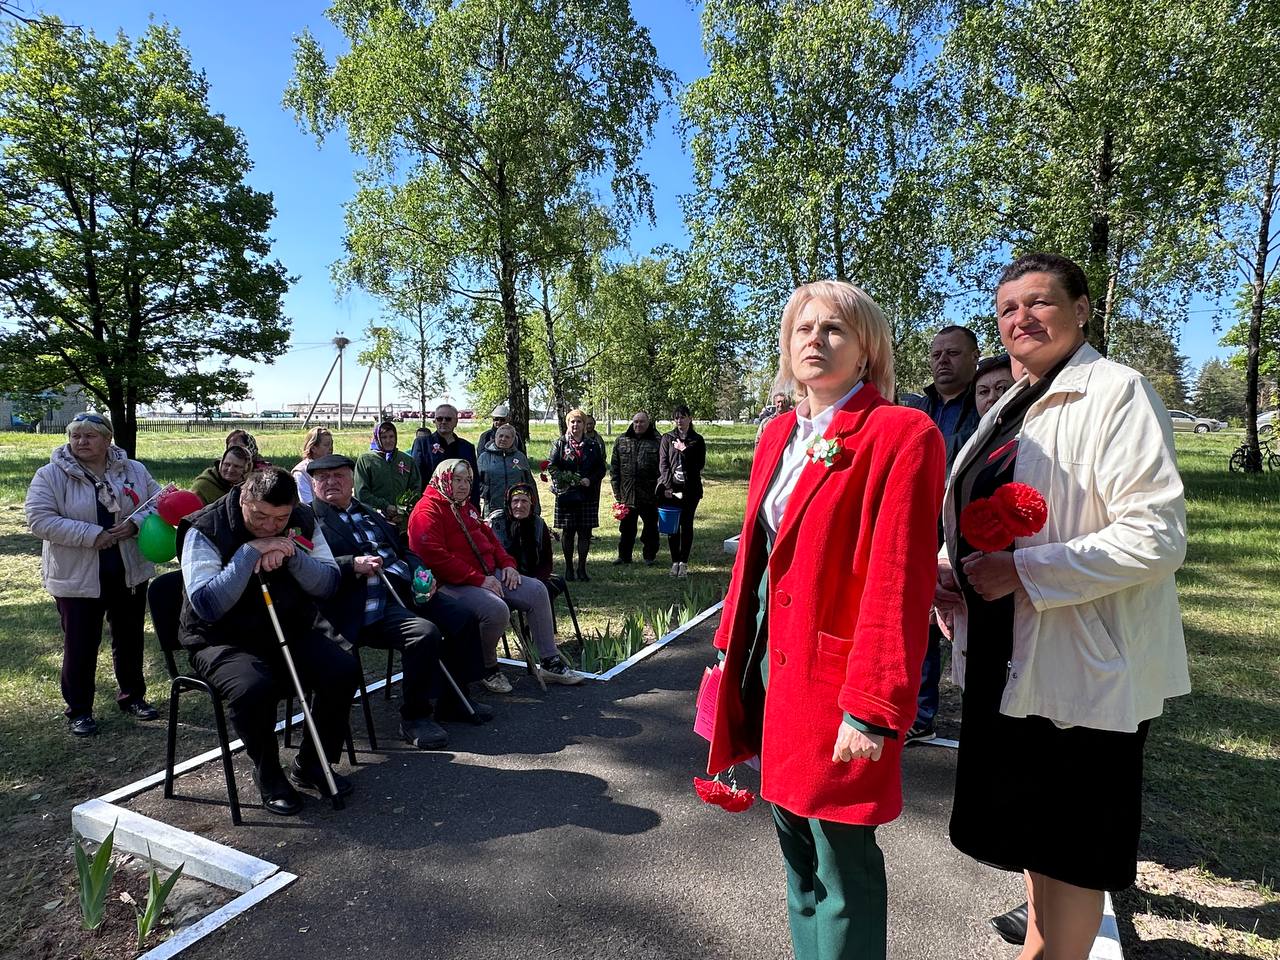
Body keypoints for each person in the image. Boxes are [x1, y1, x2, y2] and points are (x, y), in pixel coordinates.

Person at [937, 253, 1189, 960]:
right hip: (1009, 656)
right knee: (1035, 840)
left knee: (1073, 851)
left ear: (1081, 309)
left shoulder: (1117, 392)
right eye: (1008, 308)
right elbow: (986, 516)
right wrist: (951, 571)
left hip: (1081, 665)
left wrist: (1023, 572)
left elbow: (1156, 536)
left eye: (1039, 302)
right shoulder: (1013, 402)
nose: (1022, 318)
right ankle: (1040, 948)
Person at [708, 280, 944, 960]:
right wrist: (728, 652)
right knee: (796, 851)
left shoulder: (902, 434)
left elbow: (899, 582)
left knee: (841, 861)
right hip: (770, 676)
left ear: (867, 351)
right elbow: (755, 560)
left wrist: (872, 707)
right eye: (803, 329)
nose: (815, 339)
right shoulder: (777, 434)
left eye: (834, 329)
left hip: (837, 686)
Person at [177, 467, 356, 816]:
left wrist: (291, 553)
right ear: (243, 497)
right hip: (219, 639)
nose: (269, 526)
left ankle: (313, 763)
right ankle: (269, 773)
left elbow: (328, 583)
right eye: (260, 516)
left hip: (286, 627)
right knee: (254, 688)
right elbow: (208, 605)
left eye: (280, 519)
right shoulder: (204, 528)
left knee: (342, 668)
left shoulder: (303, 517)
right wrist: (248, 553)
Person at [308, 454, 491, 751]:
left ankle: (453, 699)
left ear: (352, 480)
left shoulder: (368, 512)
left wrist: (420, 571)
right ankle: (415, 716)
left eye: (338, 476)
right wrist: (351, 564)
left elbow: (404, 549)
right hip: (361, 605)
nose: (331, 482)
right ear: (312, 483)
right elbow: (308, 567)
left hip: (403, 590)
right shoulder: (309, 521)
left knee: (462, 616)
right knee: (423, 634)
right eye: (322, 478)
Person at [25, 412, 165, 737]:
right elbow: (39, 519)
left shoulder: (133, 470)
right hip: (77, 576)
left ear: (107, 439)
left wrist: (135, 524)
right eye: (75, 436)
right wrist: (92, 535)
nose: (81, 442)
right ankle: (79, 710)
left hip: (127, 570)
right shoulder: (51, 474)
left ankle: (133, 697)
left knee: (129, 639)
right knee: (81, 645)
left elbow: (159, 501)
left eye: (89, 436)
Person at [408, 460, 582, 692]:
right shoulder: (427, 511)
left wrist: (508, 565)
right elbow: (434, 558)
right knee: (496, 609)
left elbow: (491, 540)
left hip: (485, 574)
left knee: (537, 590)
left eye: (467, 480)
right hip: (448, 583)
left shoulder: (464, 506)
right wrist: (479, 579)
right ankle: (486, 666)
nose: (463, 486)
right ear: (444, 479)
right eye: (457, 480)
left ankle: (550, 662)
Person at [900, 323, 982, 744]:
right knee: (918, 620)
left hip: (971, 528)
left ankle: (985, 715)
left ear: (974, 357)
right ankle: (920, 713)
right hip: (920, 525)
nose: (943, 361)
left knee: (972, 622)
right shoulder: (919, 408)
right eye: (936, 354)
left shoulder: (985, 404)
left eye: (953, 353)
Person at [546, 408, 607, 581]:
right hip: (567, 494)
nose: (575, 425)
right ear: (568, 424)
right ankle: (569, 569)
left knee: (585, 533)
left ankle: (581, 568)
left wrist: (590, 479)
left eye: (579, 421)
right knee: (568, 532)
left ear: (584, 424)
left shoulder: (593, 445)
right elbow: (552, 466)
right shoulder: (559, 444)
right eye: (572, 421)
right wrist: (564, 479)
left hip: (588, 494)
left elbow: (601, 469)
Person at [657, 404, 706, 578]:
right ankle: (674, 562)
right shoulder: (667, 438)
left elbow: (699, 464)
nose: (679, 421)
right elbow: (663, 464)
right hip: (672, 488)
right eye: (677, 418)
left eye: (683, 417)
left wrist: (684, 450)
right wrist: (667, 486)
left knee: (686, 524)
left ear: (690, 419)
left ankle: (683, 563)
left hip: (690, 489)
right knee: (673, 526)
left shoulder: (697, 440)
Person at [489, 483, 561, 600]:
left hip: (531, 577)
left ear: (531, 504)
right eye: (515, 501)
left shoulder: (538, 524)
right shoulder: (495, 521)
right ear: (509, 503)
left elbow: (546, 560)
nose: (519, 506)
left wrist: (538, 580)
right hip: (502, 576)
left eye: (524, 501)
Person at [609, 410, 662, 566]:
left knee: (650, 529)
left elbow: (663, 468)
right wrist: (617, 493)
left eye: (642, 422)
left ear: (648, 423)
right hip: (627, 494)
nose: (638, 425)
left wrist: (660, 491)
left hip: (650, 494)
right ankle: (624, 556)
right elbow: (614, 469)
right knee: (626, 529)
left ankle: (649, 556)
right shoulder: (621, 440)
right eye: (636, 422)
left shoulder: (658, 441)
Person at [355, 420, 421, 529]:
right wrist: (384, 506)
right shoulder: (366, 460)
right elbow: (361, 493)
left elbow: (416, 488)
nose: (388, 441)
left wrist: (404, 509)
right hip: (376, 519)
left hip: (403, 520)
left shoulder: (407, 460)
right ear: (377, 439)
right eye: (384, 437)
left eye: (391, 436)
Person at [410, 404, 479, 506]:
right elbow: (416, 478)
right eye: (439, 419)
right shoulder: (422, 444)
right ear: (435, 421)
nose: (443, 422)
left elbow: (474, 480)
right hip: (433, 503)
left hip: (461, 504)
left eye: (448, 419)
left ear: (456, 422)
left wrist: (475, 508)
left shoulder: (467, 447)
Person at [476, 423, 539, 518]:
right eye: (501, 436)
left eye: (507, 437)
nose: (503, 439)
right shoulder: (484, 457)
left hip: (517, 506)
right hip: (492, 506)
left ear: (513, 439)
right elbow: (475, 481)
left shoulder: (520, 457)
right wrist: (485, 492)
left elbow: (530, 483)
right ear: (495, 437)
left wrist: (536, 508)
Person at [292, 427, 334, 505]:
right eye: (326, 445)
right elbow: (307, 503)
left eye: (331, 444)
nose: (331, 448)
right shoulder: (301, 472)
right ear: (313, 448)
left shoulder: (333, 467)